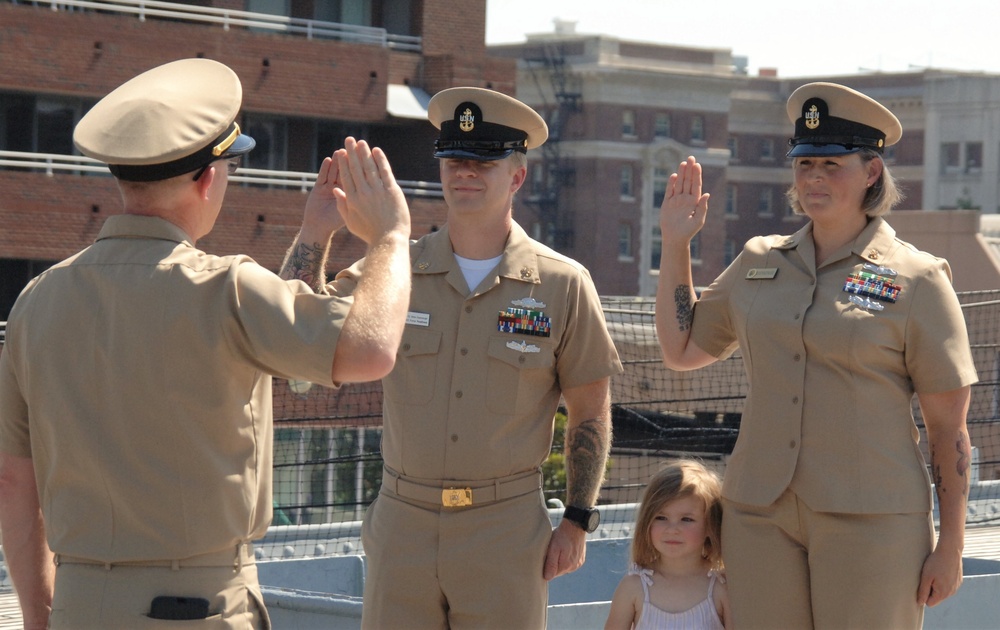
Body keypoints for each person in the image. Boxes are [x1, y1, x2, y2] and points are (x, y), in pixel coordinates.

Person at [0, 58, 412, 629]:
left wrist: (44, 616)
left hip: (80, 605)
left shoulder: (36, 301)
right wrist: (391, 237)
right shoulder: (226, 288)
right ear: (206, 178)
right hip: (198, 609)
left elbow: (14, 482)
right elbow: (371, 349)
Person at [281, 86, 623, 628]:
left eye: (482, 162)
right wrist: (315, 232)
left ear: (516, 176)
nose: (464, 172)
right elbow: (295, 351)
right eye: (454, 159)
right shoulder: (393, 271)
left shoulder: (563, 285)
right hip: (403, 524)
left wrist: (578, 520)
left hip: (506, 530)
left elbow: (591, 411)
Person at [655, 81, 978, 629]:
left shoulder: (917, 278)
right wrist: (675, 243)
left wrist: (951, 546)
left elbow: (950, 428)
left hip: (872, 520)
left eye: (832, 165)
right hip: (760, 518)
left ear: (871, 172)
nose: (814, 179)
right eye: (805, 165)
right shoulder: (760, 262)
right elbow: (683, 348)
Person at [605, 460, 730, 630]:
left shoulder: (722, 586)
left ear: (710, 526)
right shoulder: (633, 587)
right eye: (661, 518)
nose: (672, 529)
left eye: (687, 519)